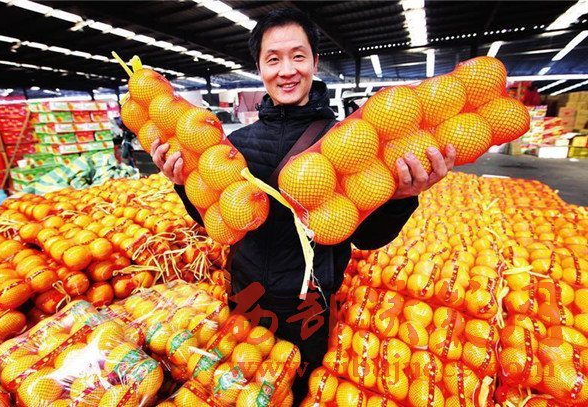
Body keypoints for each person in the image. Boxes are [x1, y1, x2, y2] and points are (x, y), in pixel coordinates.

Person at [151, 8, 456, 405]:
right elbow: (217, 224)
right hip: (247, 294)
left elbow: (366, 236)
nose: (287, 70)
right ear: (259, 67)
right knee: (244, 388)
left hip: (310, 303)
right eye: (273, 59)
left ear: (315, 61)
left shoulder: (349, 140)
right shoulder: (235, 145)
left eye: (298, 56)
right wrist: (182, 185)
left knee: (300, 388)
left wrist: (401, 197)